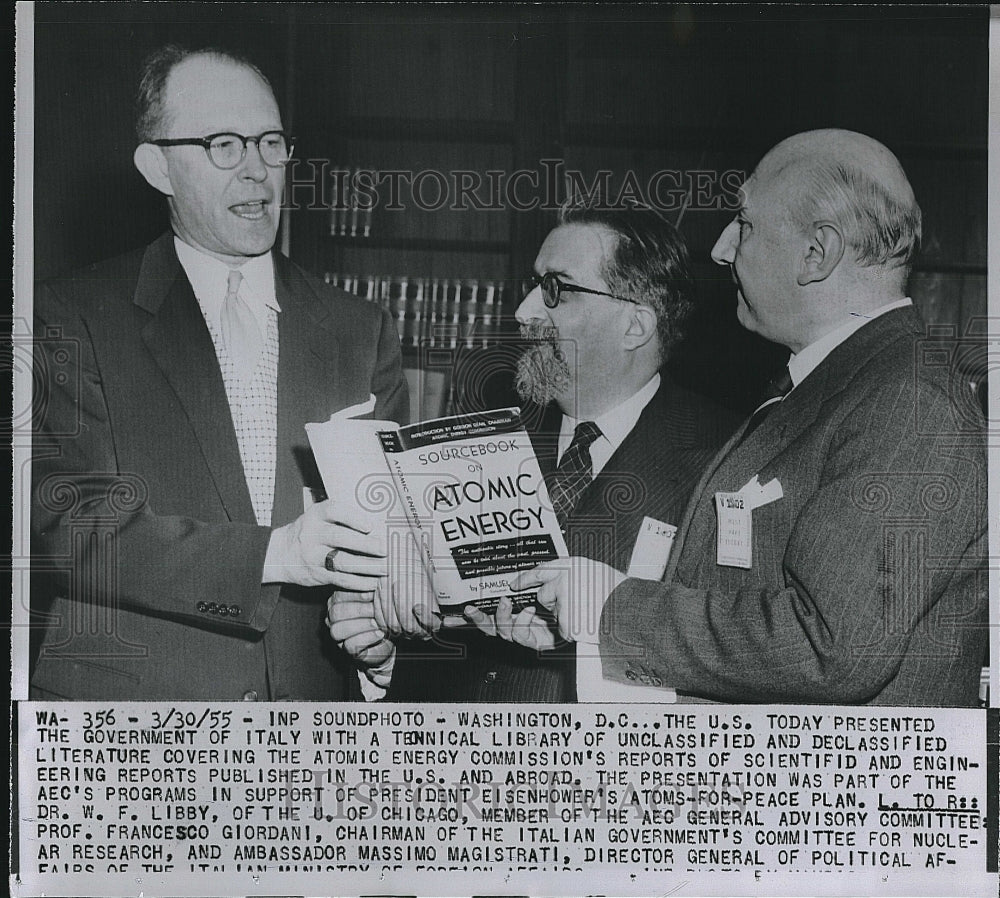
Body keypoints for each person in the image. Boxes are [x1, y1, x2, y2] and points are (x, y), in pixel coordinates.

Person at [489, 129, 988, 707]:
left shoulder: (908, 404)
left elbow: (826, 647)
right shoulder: (832, 387)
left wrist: (608, 607)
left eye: (744, 224)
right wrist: (576, 630)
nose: (723, 248)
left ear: (816, 253)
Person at [30, 44, 408, 700]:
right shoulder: (68, 314)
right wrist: (276, 555)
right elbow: (65, 525)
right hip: (136, 728)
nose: (258, 171)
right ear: (159, 167)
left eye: (271, 142)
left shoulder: (359, 330)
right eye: (225, 145)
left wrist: (380, 637)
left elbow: (392, 538)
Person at [327, 201, 740, 701]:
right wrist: (385, 655)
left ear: (636, 325)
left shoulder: (729, 460)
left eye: (555, 290)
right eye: (532, 285)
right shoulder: (472, 441)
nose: (523, 313)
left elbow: (725, 668)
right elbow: (453, 635)